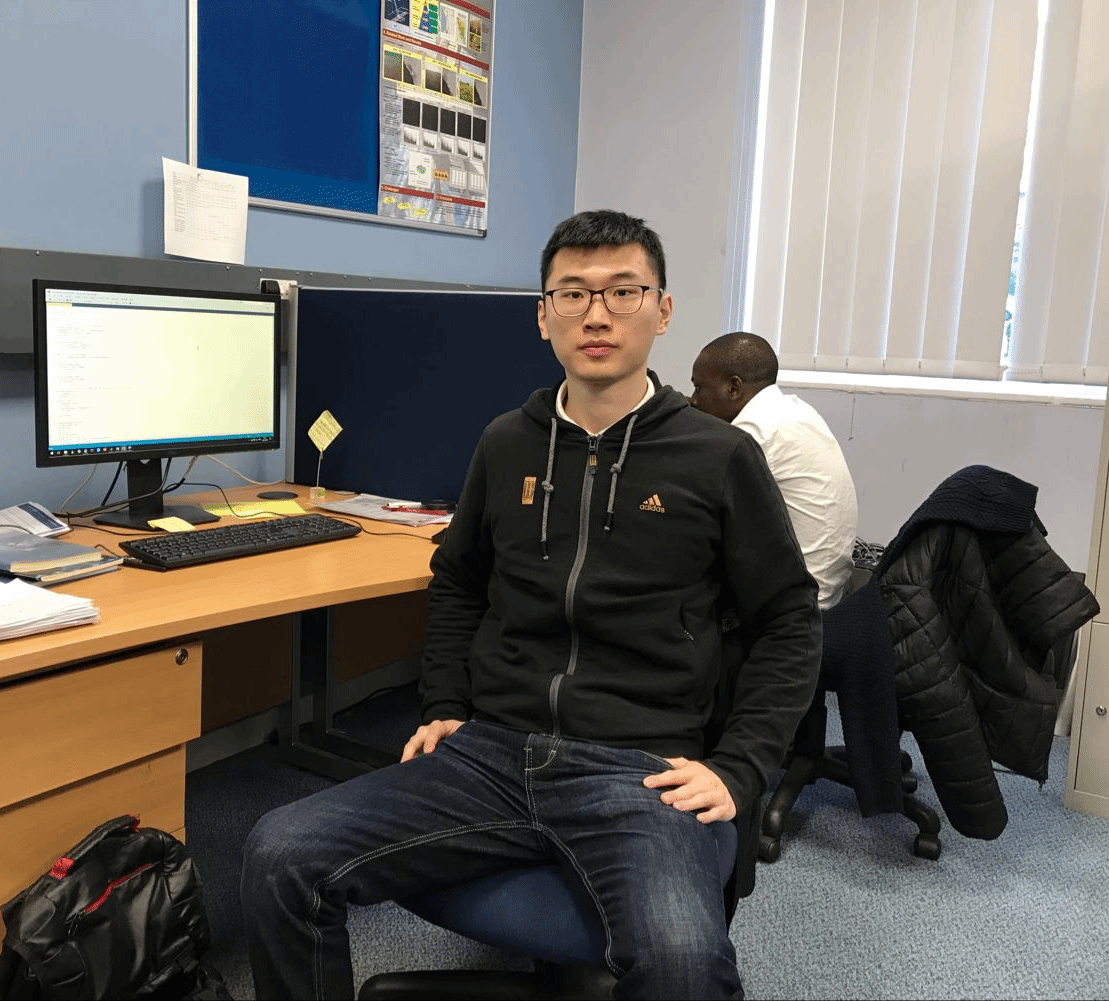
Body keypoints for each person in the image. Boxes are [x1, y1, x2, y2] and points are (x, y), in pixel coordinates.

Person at [240, 210, 821, 1000]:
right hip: (491, 751)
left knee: (684, 963)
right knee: (280, 854)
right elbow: (459, 579)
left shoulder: (719, 457)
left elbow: (789, 620)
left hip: (640, 768)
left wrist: (741, 767)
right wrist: (445, 702)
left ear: (662, 310)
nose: (597, 314)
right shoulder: (507, 441)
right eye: (573, 293)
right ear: (543, 315)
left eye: (622, 291)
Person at [689, 332, 859, 610]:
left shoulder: (754, 432)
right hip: (827, 592)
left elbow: (697, 505)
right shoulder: (793, 410)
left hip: (794, 609)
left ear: (734, 387)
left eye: (699, 388)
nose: (695, 400)